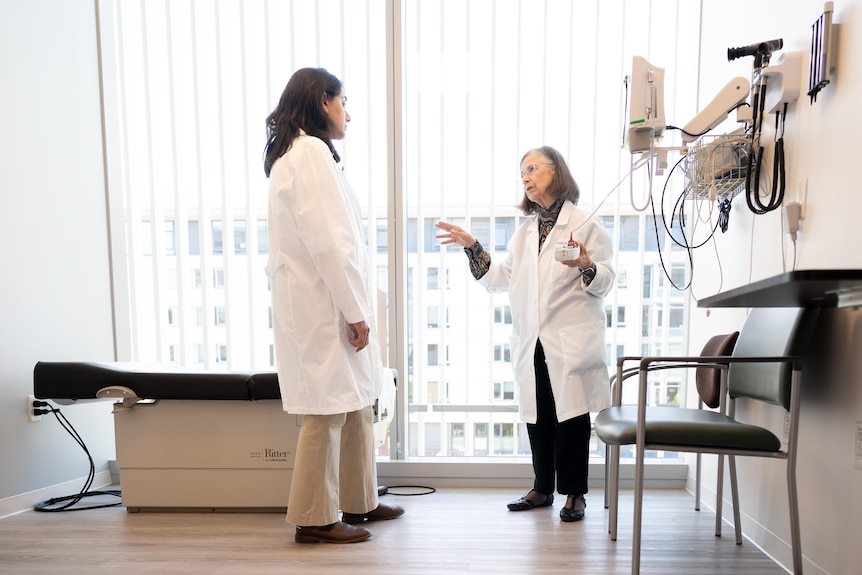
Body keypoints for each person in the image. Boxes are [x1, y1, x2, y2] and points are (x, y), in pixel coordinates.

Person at [435, 146, 615, 522]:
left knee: (572, 418)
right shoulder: (523, 234)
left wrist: (585, 263)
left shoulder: (586, 224)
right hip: (532, 340)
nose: (526, 177)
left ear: (556, 171)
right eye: (522, 174)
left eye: (532, 168)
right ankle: (542, 487)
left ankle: (575, 495)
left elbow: (606, 280)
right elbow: (500, 279)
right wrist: (473, 246)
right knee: (539, 416)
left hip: (568, 341)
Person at [263, 67, 404, 544]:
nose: (349, 113)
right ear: (323, 101)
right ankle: (313, 517)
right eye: (344, 102)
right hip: (321, 307)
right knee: (327, 411)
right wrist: (355, 311)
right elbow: (330, 243)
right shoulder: (309, 154)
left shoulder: (302, 155)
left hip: (323, 302)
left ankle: (359, 501)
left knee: (358, 404)